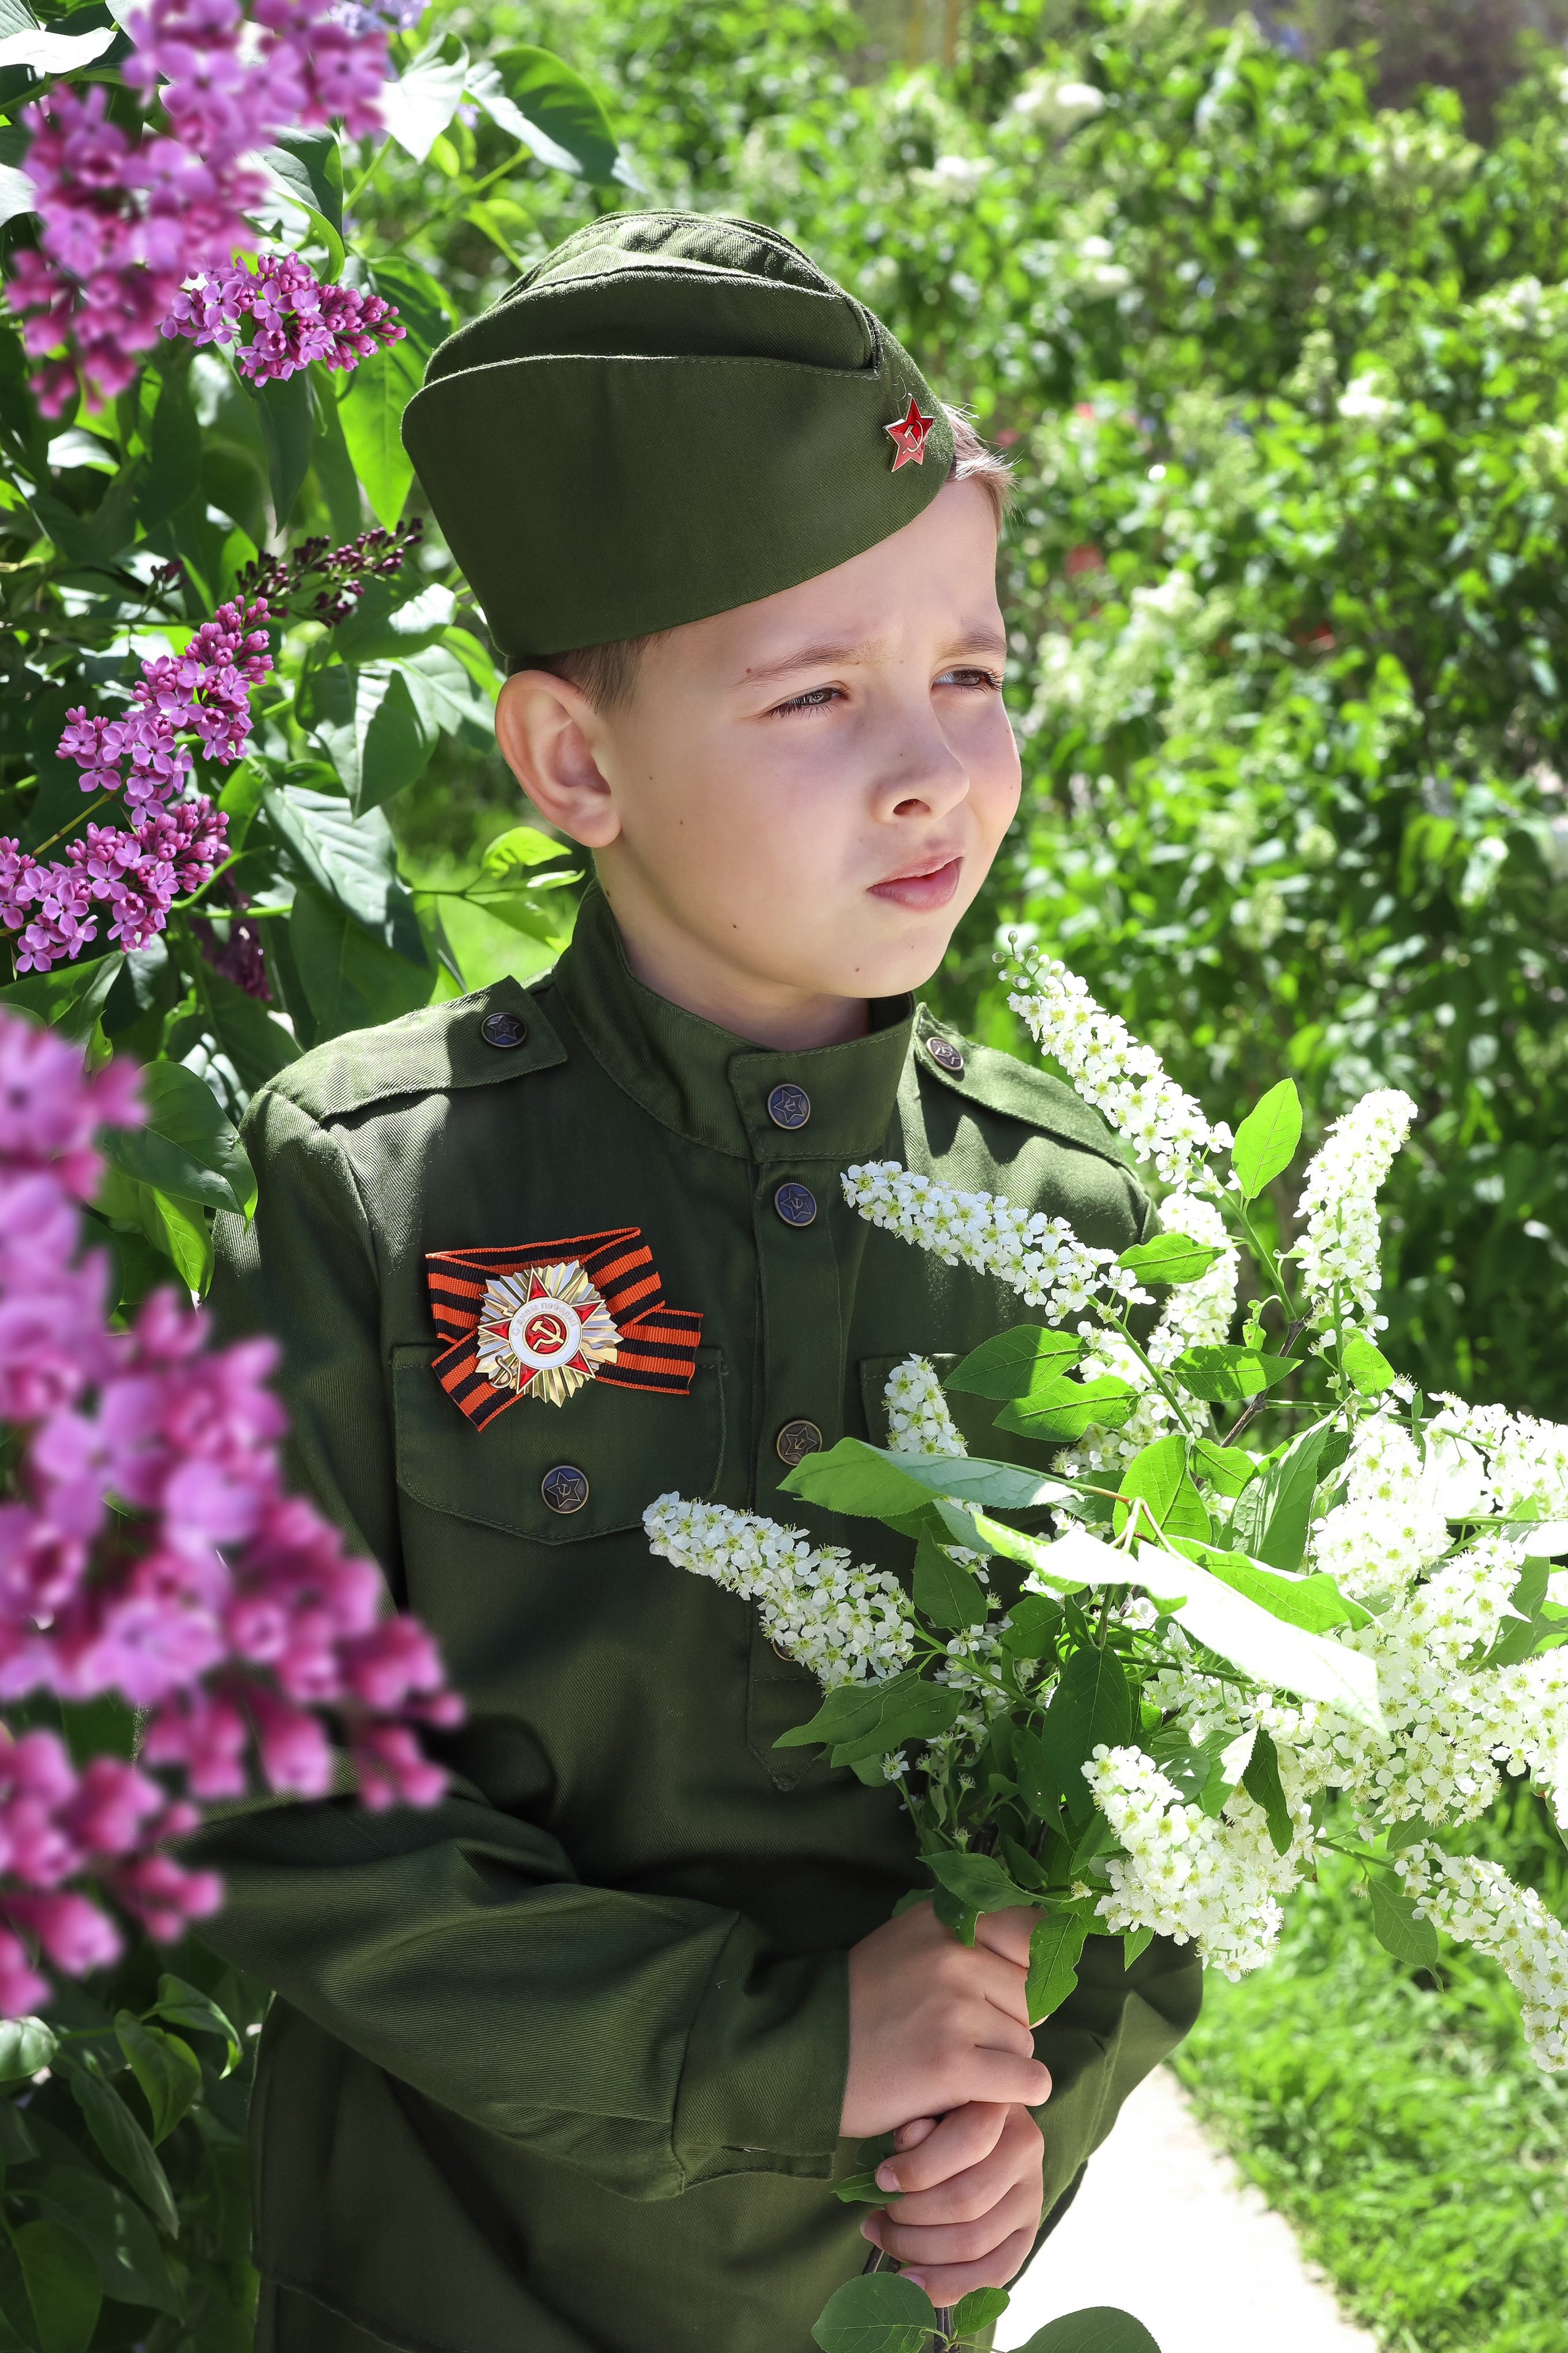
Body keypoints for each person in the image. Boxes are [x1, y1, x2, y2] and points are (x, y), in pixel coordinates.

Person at [194, 211, 1201, 2353]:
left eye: (972, 673)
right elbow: (264, 1786)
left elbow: (1168, 1788)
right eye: (820, 692)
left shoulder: (1086, 1227)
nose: (932, 759)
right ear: (574, 763)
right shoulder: (372, 1186)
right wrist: (776, 2049)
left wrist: (1041, 2112)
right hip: (441, 2290)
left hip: (868, 2307)